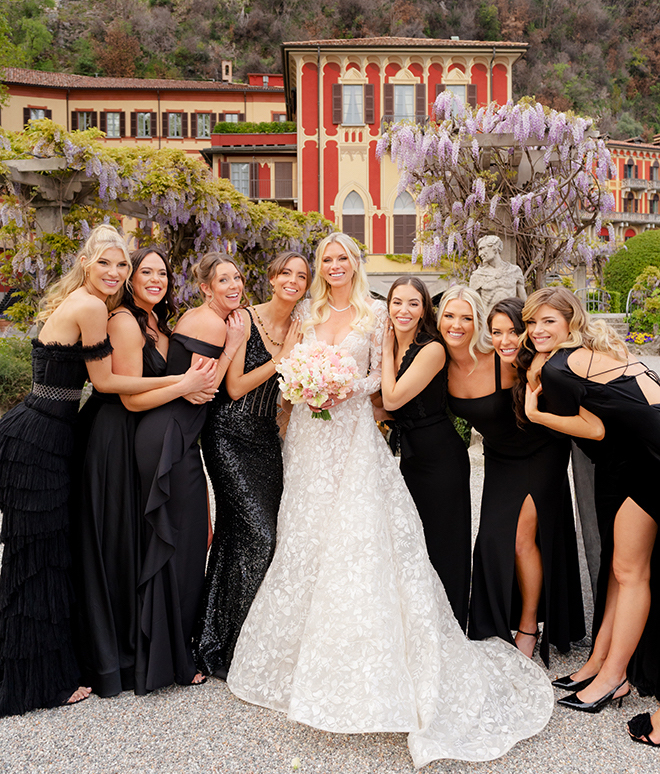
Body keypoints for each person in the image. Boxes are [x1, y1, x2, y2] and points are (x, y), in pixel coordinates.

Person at [227, 234, 553, 770]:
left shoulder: (376, 313)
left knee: (359, 540)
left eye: (342, 259)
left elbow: (383, 379)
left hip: (353, 434)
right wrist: (302, 389)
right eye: (325, 259)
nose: (333, 266)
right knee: (305, 536)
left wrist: (341, 389)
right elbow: (288, 365)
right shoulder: (307, 311)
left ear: (355, 264)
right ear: (318, 267)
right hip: (309, 439)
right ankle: (301, 660)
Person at [0, 225, 192, 717]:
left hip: (54, 431)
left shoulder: (93, 306)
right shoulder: (89, 308)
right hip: (39, 436)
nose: (115, 272)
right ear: (87, 264)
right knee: (36, 559)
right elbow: (105, 383)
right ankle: (37, 682)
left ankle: (54, 670)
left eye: (121, 265)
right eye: (106, 263)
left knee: (49, 556)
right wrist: (181, 378)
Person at [72, 246, 217, 697]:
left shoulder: (158, 322)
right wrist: (183, 384)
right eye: (145, 271)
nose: (156, 279)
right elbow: (129, 395)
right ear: (130, 278)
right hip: (115, 437)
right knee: (122, 545)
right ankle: (125, 657)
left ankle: (156, 650)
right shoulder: (123, 321)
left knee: (143, 544)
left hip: (143, 439)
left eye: (163, 273)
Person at [521, 286, 660, 712]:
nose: (537, 330)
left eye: (548, 321)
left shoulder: (561, 367)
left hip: (650, 461)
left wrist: (535, 413)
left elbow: (595, 430)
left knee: (629, 570)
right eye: (531, 322)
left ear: (569, 322)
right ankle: (599, 661)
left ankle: (615, 677)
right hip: (631, 459)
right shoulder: (589, 349)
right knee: (620, 570)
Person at [439, 286, 585, 665]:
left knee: (521, 541)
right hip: (500, 459)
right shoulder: (449, 364)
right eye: (497, 331)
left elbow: (573, 371)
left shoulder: (526, 363)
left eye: (513, 330)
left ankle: (528, 626)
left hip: (541, 452)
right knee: (490, 538)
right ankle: (493, 619)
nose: (505, 340)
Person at [133, 251, 245, 694]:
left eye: (237, 278)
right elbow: (207, 386)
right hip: (170, 437)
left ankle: (167, 650)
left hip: (175, 436)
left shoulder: (205, 317)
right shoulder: (212, 323)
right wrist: (234, 345)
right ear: (205, 287)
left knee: (183, 538)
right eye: (224, 280)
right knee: (180, 547)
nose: (234, 286)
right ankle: (175, 660)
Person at [193, 251, 309, 678]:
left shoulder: (301, 326)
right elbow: (237, 385)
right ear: (272, 277)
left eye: (301, 275)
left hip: (265, 437)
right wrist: (283, 359)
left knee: (239, 535)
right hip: (227, 433)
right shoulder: (243, 319)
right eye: (286, 273)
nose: (292, 281)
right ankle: (232, 645)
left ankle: (213, 636)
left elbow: (284, 396)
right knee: (260, 534)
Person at [380, 276, 471, 630]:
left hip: (440, 457)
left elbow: (392, 398)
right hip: (413, 455)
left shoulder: (431, 348)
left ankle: (449, 626)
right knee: (413, 541)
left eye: (413, 303)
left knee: (442, 541)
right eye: (397, 302)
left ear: (424, 310)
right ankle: (421, 623)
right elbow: (386, 409)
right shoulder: (395, 345)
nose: (404, 310)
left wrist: (386, 351)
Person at [468, 235, 527, 311]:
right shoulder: (477, 275)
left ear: (494, 248)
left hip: (511, 319)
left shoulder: (514, 271)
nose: (480, 254)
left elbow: (524, 303)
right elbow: (472, 306)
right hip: (488, 321)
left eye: (482, 249)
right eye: (479, 250)